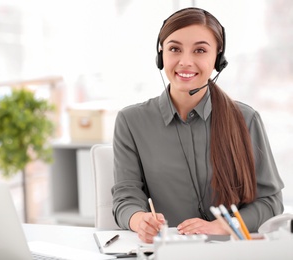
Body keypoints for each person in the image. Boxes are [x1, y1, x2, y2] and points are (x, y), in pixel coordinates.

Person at [111, 7, 284, 243]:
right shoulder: (131, 121)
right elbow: (125, 197)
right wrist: (139, 220)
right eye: (174, 49)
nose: (185, 62)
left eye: (200, 50)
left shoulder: (246, 119)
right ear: (161, 56)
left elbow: (270, 201)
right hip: (164, 250)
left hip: (228, 251)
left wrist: (223, 226)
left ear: (218, 59)